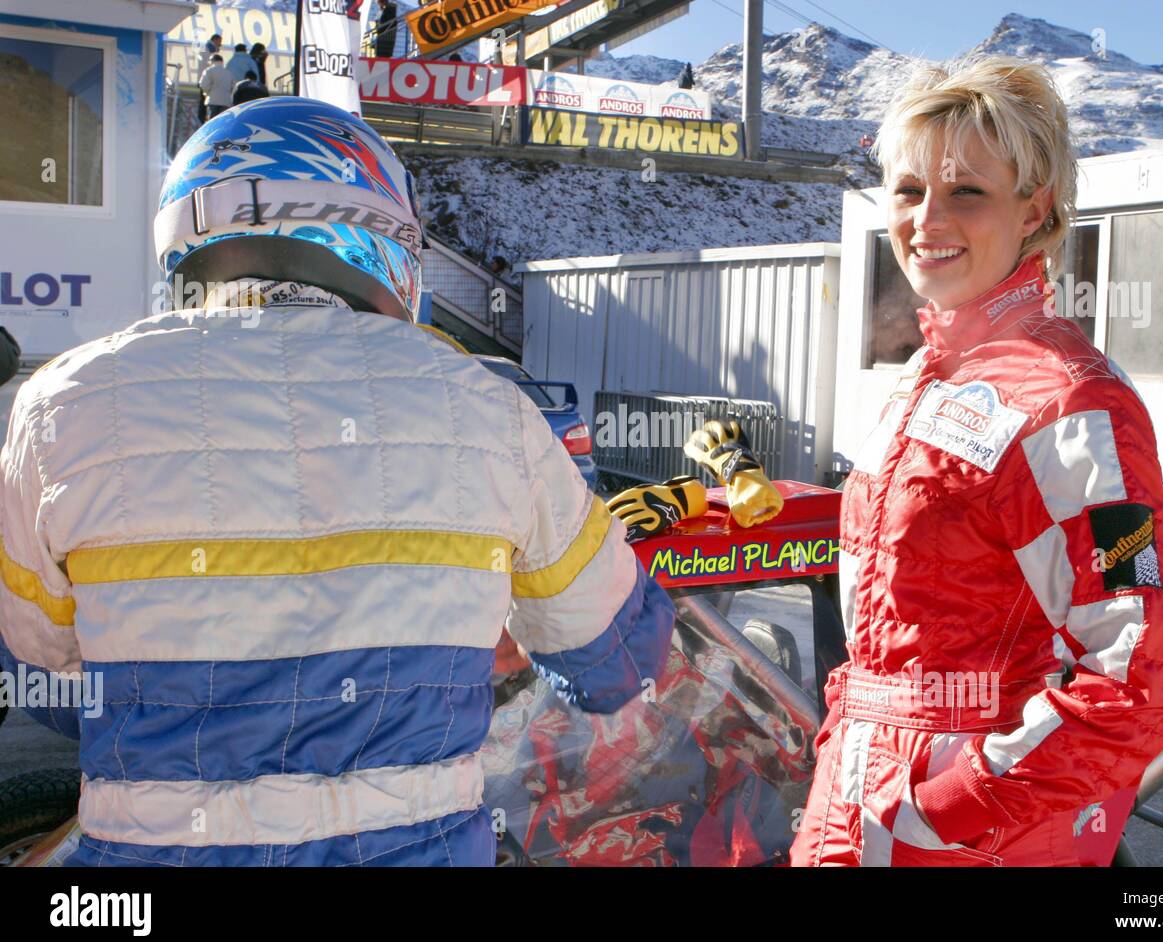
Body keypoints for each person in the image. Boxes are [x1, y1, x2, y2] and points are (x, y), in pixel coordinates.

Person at [0, 97, 674, 866]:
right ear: (384, 240)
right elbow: (617, 665)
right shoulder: (492, 410)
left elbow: (42, 681)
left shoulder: (62, 405)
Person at [790, 55, 1163, 867]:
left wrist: (947, 808)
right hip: (854, 802)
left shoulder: (1075, 403)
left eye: (966, 191)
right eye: (909, 191)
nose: (927, 219)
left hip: (967, 836)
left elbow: (1141, 679)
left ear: (1034, 210)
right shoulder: (928, 376)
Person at [198, 54, 237, 119]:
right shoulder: (228, 72)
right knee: (221, 122)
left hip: (212, 100)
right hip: (225, 101)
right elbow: (234, 87)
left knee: (212, 122)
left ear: (212, 60)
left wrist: (207, 92)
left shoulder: (209, 71)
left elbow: (203, 85)